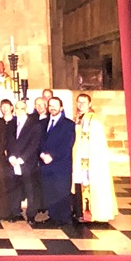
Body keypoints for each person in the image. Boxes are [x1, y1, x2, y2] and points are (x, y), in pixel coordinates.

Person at [72, 93, 117, 229]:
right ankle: (83, 213)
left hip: (90, 161)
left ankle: (95, 214)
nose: (81, 105)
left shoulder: (92, 120)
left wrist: (89, 161)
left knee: (91, 185)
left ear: (90, 104)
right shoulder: (81, 118)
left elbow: (94, 143)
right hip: (81, 159)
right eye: (79, 102)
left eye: (84, 102)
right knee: (82, 185)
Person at [38, 92, 76, 227]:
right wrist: (42, 154)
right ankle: (53, 216)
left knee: (61, 192)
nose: (52, 108)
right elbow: (39, 141)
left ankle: (64, 219)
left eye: (55, 106)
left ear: (61, 108)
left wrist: (52, 156)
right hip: (45, 164)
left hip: (61, 165)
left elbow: (67, 144)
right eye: (50, 106)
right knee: (49, 191)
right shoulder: (43, 123)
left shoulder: (69, 124)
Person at [5, 96, 45, 223]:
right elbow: (8, 142)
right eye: (17, 108)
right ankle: (15, 212)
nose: (19, 110)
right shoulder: (11, 124)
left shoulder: (34, 124)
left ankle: (31, 215)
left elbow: (34, 144)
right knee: (14, 188)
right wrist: (11, 157)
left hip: (27, 162)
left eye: (22, 108)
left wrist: (22, 159)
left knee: (30, 189)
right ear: (14, 109)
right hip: (12, 162)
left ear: (26, 109)